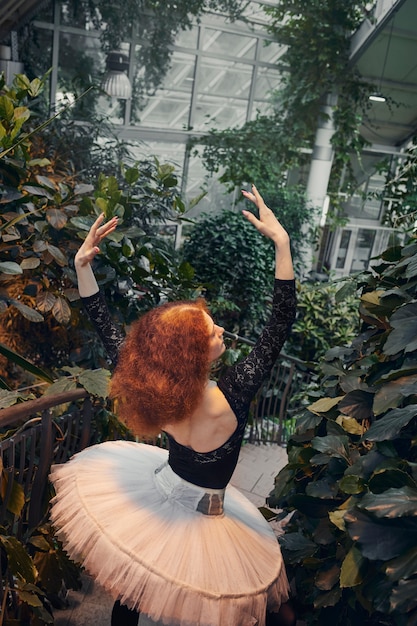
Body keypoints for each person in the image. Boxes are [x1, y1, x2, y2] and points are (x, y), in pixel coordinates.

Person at [49, 185, 297, 626]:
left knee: (137, 584)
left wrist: (81, 268)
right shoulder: (236, 390)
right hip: (209, 512)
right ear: (194, 355)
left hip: (162, 496)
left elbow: (107, 329)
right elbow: (279, 323)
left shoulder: (156, 387)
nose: (220, 329)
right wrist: (282, 243)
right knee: (194, 598)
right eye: (211, 331)